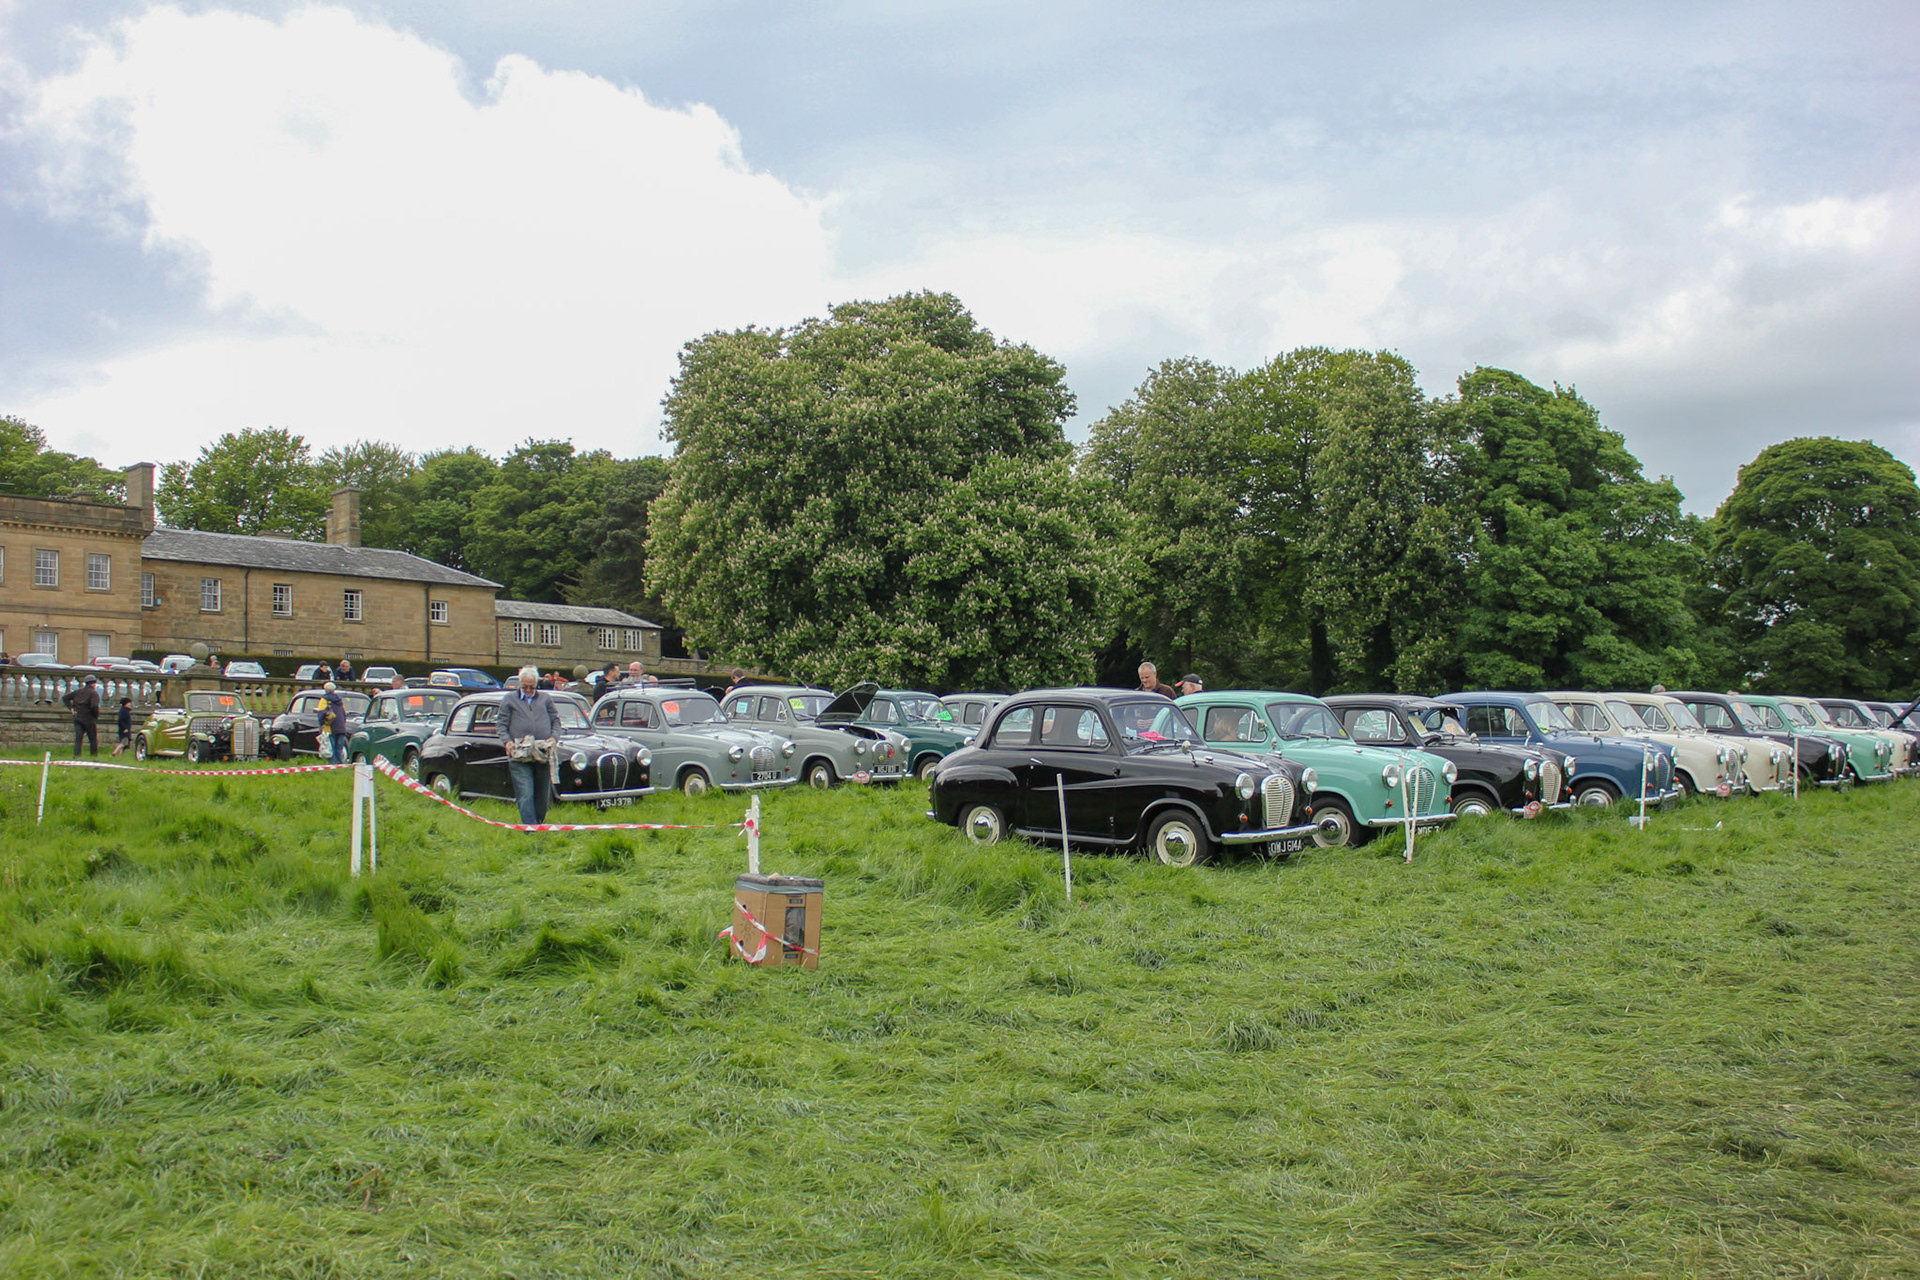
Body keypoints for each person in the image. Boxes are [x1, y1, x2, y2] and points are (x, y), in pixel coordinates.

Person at [498, 666, 563, 825]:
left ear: (536, 685)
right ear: (519, 684)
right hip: (519, 755)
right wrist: (507, 742)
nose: (528, 690)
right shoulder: (509, 699)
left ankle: (539, 824)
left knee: (542, 795)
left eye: (532, 687)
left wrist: (553, 738)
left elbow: (556, 721)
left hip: (542, 753)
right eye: (524, 687)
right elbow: (501, 725)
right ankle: (530, 828)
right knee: (525, 793)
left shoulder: (546, 699)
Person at [63, 673, 102, 757]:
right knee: (92, 739)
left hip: (77, 717)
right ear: (93, 683)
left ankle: (76, 755)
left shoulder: (78, 692)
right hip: (88, 717)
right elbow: (94, 706)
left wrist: (71, 708)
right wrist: (96, 715)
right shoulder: (93, 693)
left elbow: (65, 698)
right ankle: (93, 755)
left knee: (78, 738)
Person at [321, 681, 350, 763]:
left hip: (330, 727)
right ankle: (340, 763)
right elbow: (344, 713)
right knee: (339, 748)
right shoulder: (340, 700)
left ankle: (332, 764)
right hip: (341, 727)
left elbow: (321, 713)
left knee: (331, 747)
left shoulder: (324, 699)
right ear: (334, 690)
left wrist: (321, 724)